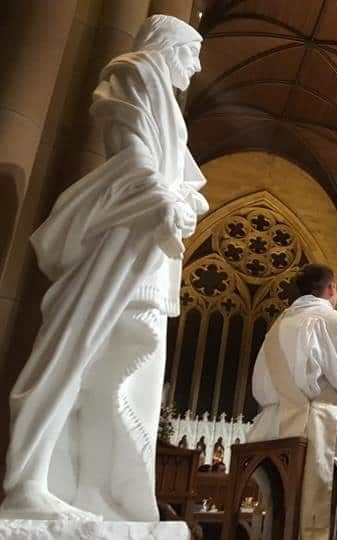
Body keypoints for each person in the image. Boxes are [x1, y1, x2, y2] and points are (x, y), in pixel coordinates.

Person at [0, 15, 207, 521]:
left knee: (113, 366)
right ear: (168, 44)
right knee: (75, 347)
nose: (197, 65)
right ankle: (27, 479)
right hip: (122, 227)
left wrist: (181, 198)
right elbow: (129, 139)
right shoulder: (135, 69)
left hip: (146, 236)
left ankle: (94, 490)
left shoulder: (164, 93)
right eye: (192, 50)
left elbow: (177, 171)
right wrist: (159, 194)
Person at [246, 264, 337, 540]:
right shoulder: (334, 322)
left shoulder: (276, 328)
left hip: (271, 430)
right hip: (319, 427)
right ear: (330, 289)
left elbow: (263, 386)